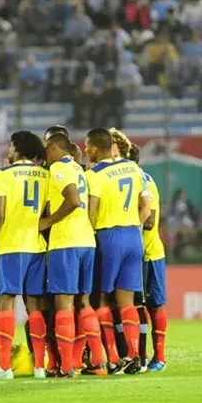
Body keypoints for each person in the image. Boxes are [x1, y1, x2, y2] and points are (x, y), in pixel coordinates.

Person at [0, 130, 49, 379]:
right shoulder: (45, 175)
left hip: (11, 245)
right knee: (35, 306)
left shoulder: (3, 174)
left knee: (5, 302)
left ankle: (5, 368)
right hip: (37, 246)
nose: (8, 150)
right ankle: (40, 367)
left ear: (18, 149)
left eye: (11, 145)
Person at [85, 128, 151, 374]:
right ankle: (134, 355)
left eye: (86, 146)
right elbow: (144, 207)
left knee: (102, 298)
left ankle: (113, 358)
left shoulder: (95, 175)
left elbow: (92, 211)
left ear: (92, 148)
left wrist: (88, 234)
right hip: (133, 236)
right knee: (127, 301)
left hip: (108, 236)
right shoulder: (133, 168)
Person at [39, 132, 96, 378]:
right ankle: (88, 362)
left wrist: (48, 220)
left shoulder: (59, 168)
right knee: (84, 302)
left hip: (66, 242)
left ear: (53, 147)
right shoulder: (78, 168)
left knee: (63, 303)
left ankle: (66, 367)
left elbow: (72, 199)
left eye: (45, 149)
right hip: (86, 241)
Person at [131, 144, 168, 372]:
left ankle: (160, 357)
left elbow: (150, 221)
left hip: (150, 253)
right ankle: (140, 356)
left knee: (154, 305)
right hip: (134, 254)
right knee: (136, 306)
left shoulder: (145, 181)